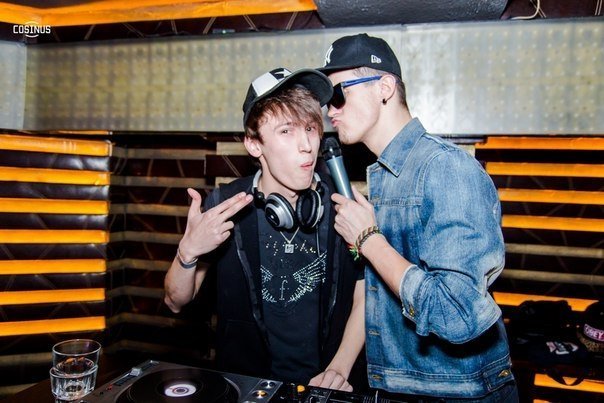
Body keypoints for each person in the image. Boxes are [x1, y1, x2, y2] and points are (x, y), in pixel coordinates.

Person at [318, 34, 518, 401]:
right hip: (401, 385)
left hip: (458, 392)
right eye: (326, 101)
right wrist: (340, 366)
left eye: (338, 94)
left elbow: (456, 314)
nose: (331, 110)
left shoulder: (446, 169)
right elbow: (379, 293)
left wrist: (368, 240)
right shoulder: (386, 177)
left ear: (384, 88)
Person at [164, 67, 365, 391]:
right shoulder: (225, 205)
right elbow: (175, 301)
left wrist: (339, 369)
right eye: (286, 131)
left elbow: (365, 294)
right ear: (254, 144)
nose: (306, 145)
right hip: (246, 386)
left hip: (325, 386)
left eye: (311, 128)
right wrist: (187, 252)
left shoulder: (342, 202)